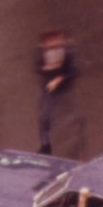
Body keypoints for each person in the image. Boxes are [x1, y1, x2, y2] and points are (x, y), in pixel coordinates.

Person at [35, 28, 82, 157]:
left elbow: (74, 71)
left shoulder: (68, 52)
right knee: (44, 116)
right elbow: (37, 66)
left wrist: (59, 79)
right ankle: (46, 145)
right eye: (48, 41)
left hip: (62, 89)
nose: (50, 44)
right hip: (47, 87)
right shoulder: (41, 51)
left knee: (67, 113)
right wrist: (45, 69)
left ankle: (77, 131)